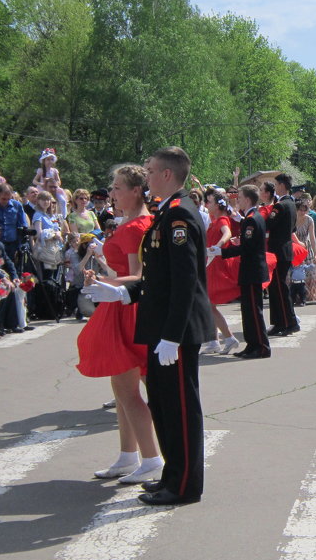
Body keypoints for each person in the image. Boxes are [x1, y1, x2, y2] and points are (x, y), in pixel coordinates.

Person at [82, 147, 216, 506]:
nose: (147, 175)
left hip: (176, 330)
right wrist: (122, 295)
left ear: (167, 175)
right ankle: (171, 476)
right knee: (164, 406)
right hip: (160, 326)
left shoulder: (179, 216)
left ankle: (185, 485)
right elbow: (158, 277)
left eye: (152, 170)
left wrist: (172, 335)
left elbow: (186, 280)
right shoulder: (167, 213)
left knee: (181, 410)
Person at [75, 164, 163, 483]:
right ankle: (128, 456)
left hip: (127, 309)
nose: (112, 193)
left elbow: (139, 276)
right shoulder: (133, 223)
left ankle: (152, 458)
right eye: (113, 187)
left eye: (117, 187)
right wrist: (103, 277)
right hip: (121, 304)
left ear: (135, 190)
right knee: (120, 386)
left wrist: (103, 279)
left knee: (127, 390)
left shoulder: (136, 226)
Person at [211, 184, 270, 359]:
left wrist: (222, 252)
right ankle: (252, 345)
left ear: (247, 199)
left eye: (240, 197)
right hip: (250, 270)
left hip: (252, 270)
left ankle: (261, 347)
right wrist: (240, 242)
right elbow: (248, 244)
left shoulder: (251, 219)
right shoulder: (250, 217)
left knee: (254, 312)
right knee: (248, 311)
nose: (238, 200)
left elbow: (248, 248)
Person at [202, 191, 242, 354]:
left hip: (216, 265)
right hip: (211, 264)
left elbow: (228, 233)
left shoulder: (222, 220)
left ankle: (228, 338)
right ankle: (214, 340)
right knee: (208, 304)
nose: (206, 205)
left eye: (209, 202)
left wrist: (217, 246)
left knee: (209, 304)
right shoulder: (213, 220)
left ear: (219, 205)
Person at [264, 174, 300, 335]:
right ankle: (280, 322)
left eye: (277, 184)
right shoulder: (291, 204)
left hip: (278, 250)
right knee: (277, 288)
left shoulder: (281, 206)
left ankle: (288, 322)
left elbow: (268, 224)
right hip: (284, 249)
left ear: (282, 185)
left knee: (279, 289)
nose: (276, 187)